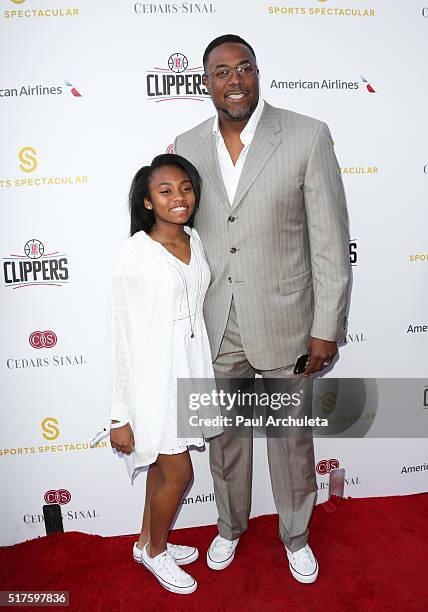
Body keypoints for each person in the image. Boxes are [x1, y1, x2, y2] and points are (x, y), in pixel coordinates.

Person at [174, 34, 351, 583]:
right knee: (223, 440)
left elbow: (329, 240)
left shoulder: (305, 135)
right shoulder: (185, 143)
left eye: (244, 68)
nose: (234, 81)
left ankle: (295, 534)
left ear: (257, 73)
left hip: (287, 320)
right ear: (206, 83)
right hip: (216, 322)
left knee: (291, 441)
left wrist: (326, 327)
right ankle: (229, 526)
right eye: (221, 72)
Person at [109, 154, 222, 595]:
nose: (179, 197)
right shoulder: (134, 253)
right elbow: (121, 335)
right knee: (179, 474)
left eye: (186, 188)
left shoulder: (195, 238)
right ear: (148, 201)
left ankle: (145, 542)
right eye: (166, 190)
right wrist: (119, 414)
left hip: (191, 368)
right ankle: (157, 553)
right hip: (154, 376)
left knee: (161, 469)